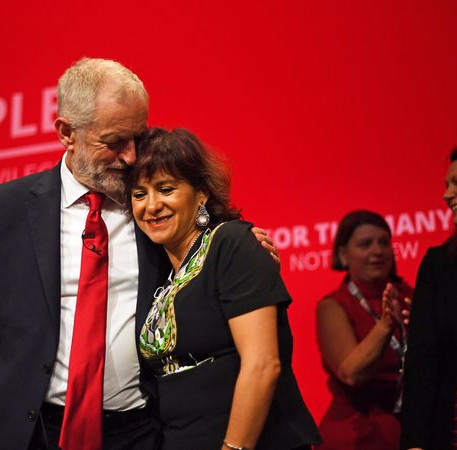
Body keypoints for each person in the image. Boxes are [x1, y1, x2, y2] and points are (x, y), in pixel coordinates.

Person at [0, 58, 278, 450]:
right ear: (67, 133)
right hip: (27, 432)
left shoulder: (153, 209)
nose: (132, 156)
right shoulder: (3, 210)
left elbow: (205, 242)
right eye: (115, 142)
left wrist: (245, 242)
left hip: (138, 432)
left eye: (139, 136)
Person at [129, 127, 321, 450]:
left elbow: (262, 365)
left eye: (166, 189)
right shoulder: (160, 278)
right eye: (139, 194)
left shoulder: (232, 243)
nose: (152, 206)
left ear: (201, 193)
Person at [315, 210, 413, 450]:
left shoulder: (412, 297)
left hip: (415, 425)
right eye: (365, 244)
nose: (377, 251)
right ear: (343, 255)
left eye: (383, 242)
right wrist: (387, 324)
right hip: (358, 433)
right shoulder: (333, 306)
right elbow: (352, 373)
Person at [400, 148, 457, 450]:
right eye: (447, 184)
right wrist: (414, 443)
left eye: (456, 183)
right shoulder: (439, 265)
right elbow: (423, 362)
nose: (447, 195)